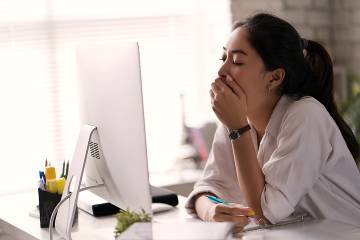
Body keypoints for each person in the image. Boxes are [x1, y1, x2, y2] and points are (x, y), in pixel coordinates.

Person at [185, 13, 360, 232]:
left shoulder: (306, 115)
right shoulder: (234, 119)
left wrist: (238, 130)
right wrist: (210, 211)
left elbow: (265, 213)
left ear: (274, 77)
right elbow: (208, 188)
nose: (222, 71)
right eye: (223, 58)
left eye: (237, 61)